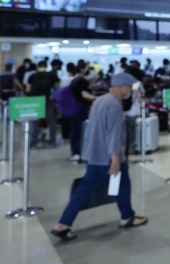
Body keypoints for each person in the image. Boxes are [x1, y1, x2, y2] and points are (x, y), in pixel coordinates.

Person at [50, 73, 148, 241]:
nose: (129, 91)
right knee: (122, 186)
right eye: (128, 88)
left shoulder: (100, 101)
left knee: (84, 190)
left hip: (95, 156)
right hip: (108, 157)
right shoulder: (115, 106)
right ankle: (127, 218)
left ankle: (62, 224)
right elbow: (113, 136)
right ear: (120, 86)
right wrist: (116, 160)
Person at [26, 61, 59, 147]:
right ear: (46, 67)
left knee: (35, 123)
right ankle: (52, 142)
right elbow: (57, 88)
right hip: (48, 101)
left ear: (38, 67)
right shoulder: (51, 75)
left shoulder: (32, 76)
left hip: (36, 101)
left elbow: (28, 90)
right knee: (51, 122)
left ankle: (33, 143)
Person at [68, 63, 96, 161]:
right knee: (82, 131)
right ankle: (80, 152)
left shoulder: (74, 80)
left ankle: (75, 152)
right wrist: (96, 98)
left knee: (74, 131)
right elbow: (84, 94)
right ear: (82, 69)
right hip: (81, 108)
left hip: (73, 108)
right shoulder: (81, 81)